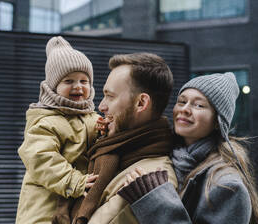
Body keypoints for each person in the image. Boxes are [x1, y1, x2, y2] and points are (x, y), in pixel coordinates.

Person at [118, 72, 258, 224]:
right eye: (182, 102)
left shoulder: (227, 185)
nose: (185, 109)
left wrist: (155, 202)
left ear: (217, 122)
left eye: (199, 105)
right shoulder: (166, 154)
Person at [70, 53, 178, 224]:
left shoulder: (149, 183)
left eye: (110, 96)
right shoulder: (106, 153)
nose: (101, 106)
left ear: (141, 103)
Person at [16, 36, 100, 224]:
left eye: (84, 81)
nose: (78, 86)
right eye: (69, 81)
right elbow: (41, 158)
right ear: (54, 87)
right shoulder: (46, 120)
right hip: (45, 206)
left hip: (75, 205)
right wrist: (73, 181)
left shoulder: (94, 118)